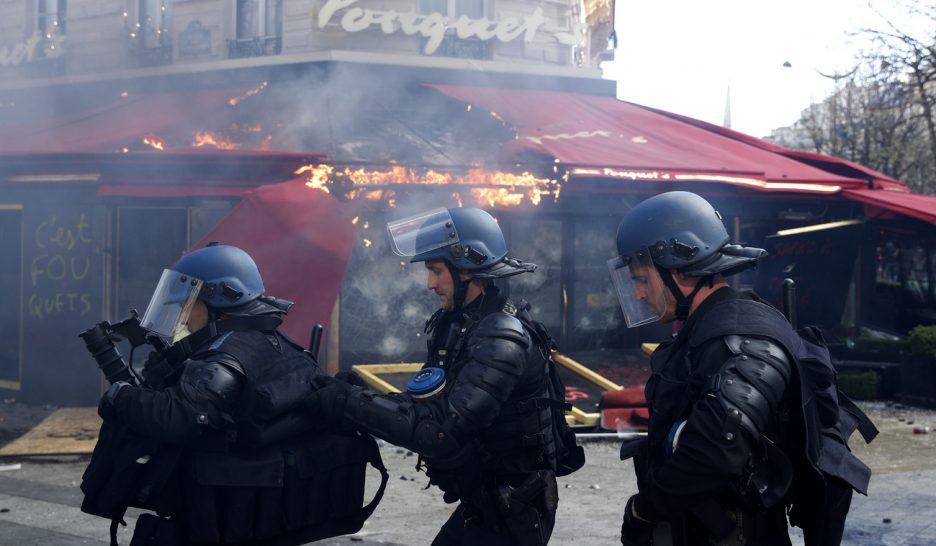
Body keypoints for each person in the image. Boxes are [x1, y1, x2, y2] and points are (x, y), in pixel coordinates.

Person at [609, 192, 873, 546]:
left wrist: (643, 510)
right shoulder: (705, 329)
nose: (639, 294)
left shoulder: (745, 337)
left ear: (676, 267)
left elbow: (715, 451)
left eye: (642, 279)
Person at [307, 207, 583, 546]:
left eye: (437, 271)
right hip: (485, 501)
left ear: (468, 268)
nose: (430, 283)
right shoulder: (461, 325)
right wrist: (365, 396)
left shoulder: (501, 334)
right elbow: (424, 406)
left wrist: (350, 403)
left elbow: (440, 429)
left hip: (514, 510)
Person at [83, 243, 386, 545]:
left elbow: (187, 418)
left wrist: (121, 397)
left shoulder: (226, 357)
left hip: (226, 511)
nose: (184, 317)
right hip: (258, 512)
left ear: (219, 300)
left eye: (190, 305)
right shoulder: (270, 339)